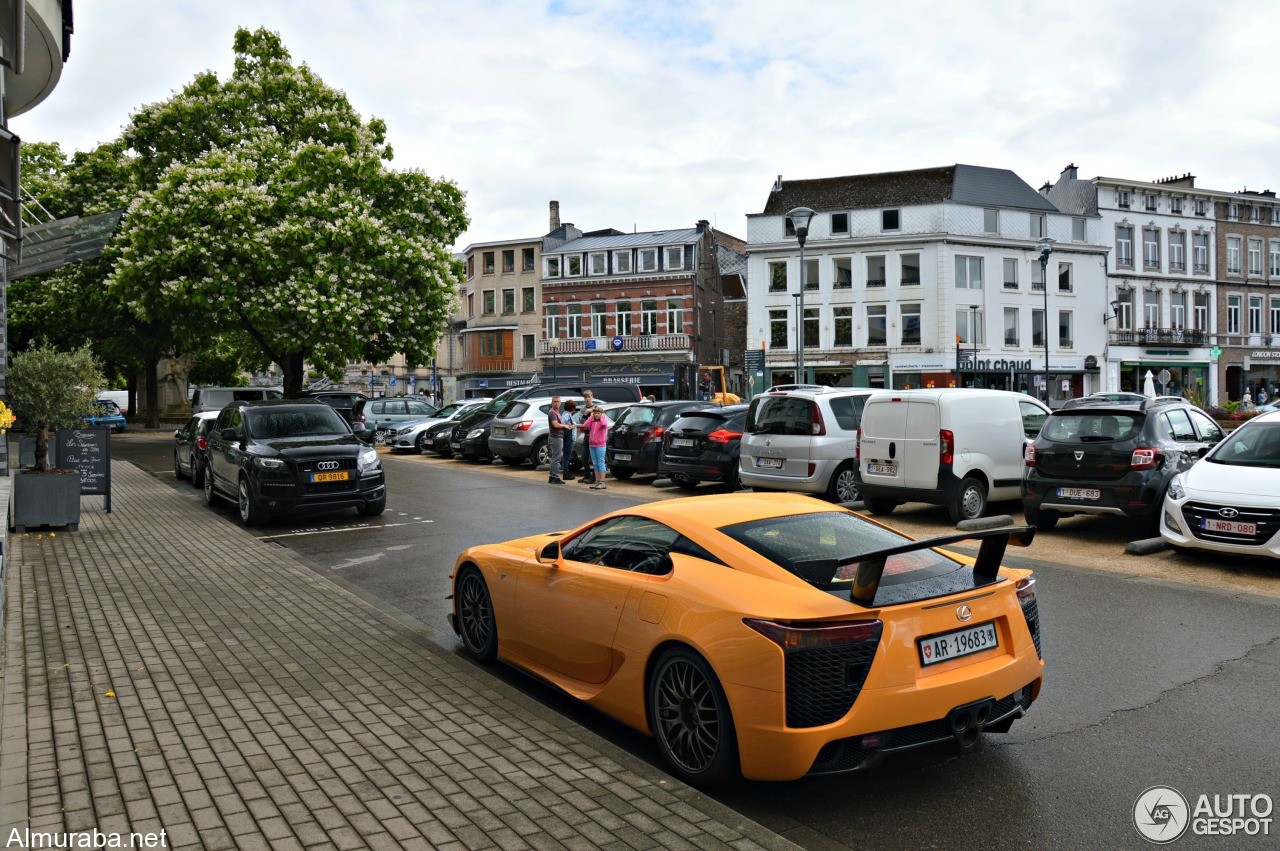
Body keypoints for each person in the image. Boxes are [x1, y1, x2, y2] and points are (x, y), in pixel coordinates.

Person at [584, 406, 612, 490]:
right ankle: (597, 481)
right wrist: (591, 417)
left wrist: (602, 416)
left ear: (601, 414)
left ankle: (602, 482)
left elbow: (604, 424)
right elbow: (586, 425)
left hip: (600, 445)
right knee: (595, 464)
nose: (596, 415)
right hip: (592, 445)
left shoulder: (602, 421)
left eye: (598, 413)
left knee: (601, 463)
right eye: (595, 413)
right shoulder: (592, 421)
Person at [576, 391, 597, 483]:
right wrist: (586, 413)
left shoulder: (596, 408)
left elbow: (597, 419)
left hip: (594, 436)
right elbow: (581, 421)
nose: (588, 398)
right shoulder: (583, 409)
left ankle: (594, 477)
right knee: (584, 457)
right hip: (586, 435)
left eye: (589, 396)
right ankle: (587, 475)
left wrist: (591, 412)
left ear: (592, 397)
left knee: (594, 458)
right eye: (586, 397)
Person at [546, 397, 567, 484]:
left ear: (560, 403)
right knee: (556, 458)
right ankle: (555, 477)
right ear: (552, 402)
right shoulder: (552, 413)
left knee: (555, 457)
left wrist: (565, 426)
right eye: (555, 402)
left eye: (558, 402)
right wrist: (564, 426)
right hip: (555, 437)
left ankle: (552, 477)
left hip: (558, 436)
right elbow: (555, 425)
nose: (556, 403)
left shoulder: (556, 412)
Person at [561, 400, 579, 481]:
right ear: (572, 408)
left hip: (568, 437)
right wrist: (568, 426)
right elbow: (563, 424)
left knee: (566, 455)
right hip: (569, 438)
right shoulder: (567, 415)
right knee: (567, 456)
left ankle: (566, 472)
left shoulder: (566, 414)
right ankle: (566, 473)